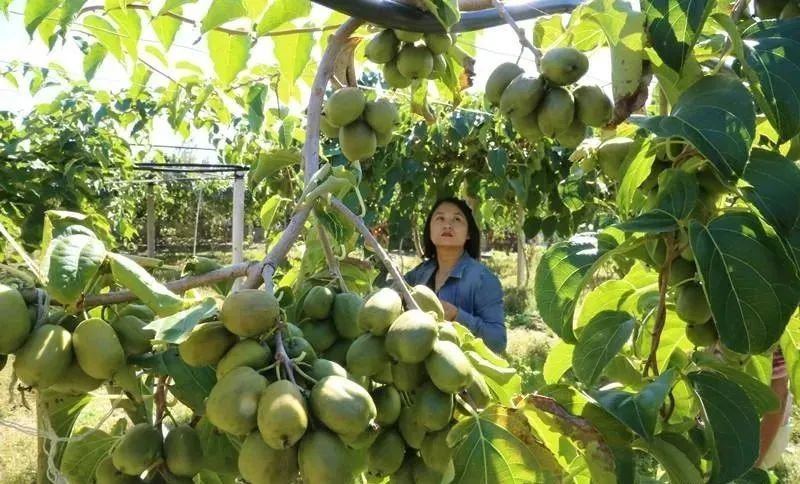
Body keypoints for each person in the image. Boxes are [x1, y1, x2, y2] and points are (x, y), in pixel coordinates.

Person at [404, 197, 506, 354]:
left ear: (468, 234)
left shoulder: (483, 279)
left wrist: (457, 316)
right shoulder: (420, 274)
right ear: (430, 229)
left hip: (461, 375)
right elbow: (393, 293)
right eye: (440, 218)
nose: (447, 225)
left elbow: (498, 341)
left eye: (457, 219)